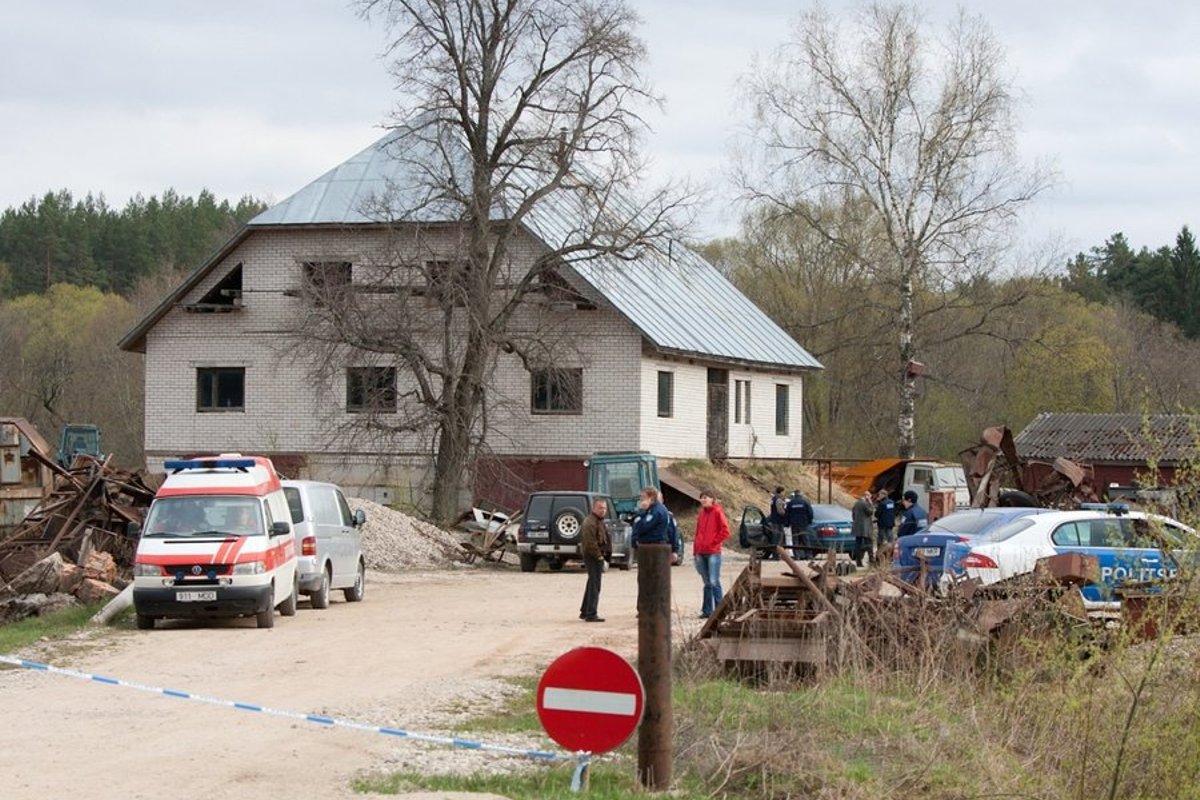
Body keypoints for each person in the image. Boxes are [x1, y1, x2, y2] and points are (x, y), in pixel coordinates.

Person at [693, 490, 730, 619]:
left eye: (706, 497)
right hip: (700, 552)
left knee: (714, 581)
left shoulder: (717, 512)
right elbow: (697, 533)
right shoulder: (701, 514)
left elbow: (725, 531)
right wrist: (695, 550)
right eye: (701, 498)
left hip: (713, 552)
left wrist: (713, 542)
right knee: (707, 582)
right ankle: (707, 610)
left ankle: (720, 610)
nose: (703, 500)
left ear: (712, 499)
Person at [578, 498, 610, 623]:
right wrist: (599, 557)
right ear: (593, 508)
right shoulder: (590, 522)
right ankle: (591, 613)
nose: (603, 510)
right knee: (595, 585)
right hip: (592, 557)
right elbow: (590, 543)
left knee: (592, 583)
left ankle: (585, 611)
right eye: (600, 508)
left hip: (596, 556)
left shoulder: (598, 521)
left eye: (604, 508)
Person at [785, 489, 814, 555]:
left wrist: (787, 523)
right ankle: (809, 555)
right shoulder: (805, 502)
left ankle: (797, 555)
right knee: (805, 540)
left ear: (795, 495)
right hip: (803, 524)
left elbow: (787, 514)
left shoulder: (791, 503)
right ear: (801, 494)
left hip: (794, 524)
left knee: (795, 540)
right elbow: (810, 513)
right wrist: (809, 521)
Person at [851, 490, 875, 567]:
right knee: (869, 543)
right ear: (867, 496)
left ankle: (858, 562)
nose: (870, 498)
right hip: (865, 528)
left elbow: (853, 514)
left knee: (858, 544)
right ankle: (871, 560)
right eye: (869, 496)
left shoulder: (856, 503)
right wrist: (871, 504)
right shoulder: (865, 504)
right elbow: (870, 512)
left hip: (857, 527)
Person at [874, 488, 897, 554]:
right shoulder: (892, 502)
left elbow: (877, 514)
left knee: (880, 538)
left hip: (882, 524)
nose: (878, 496)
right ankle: (891, 550)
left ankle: (879, 552)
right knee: (890, 538)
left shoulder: (882, 504)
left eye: (879, 495)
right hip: (890, 523)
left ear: (883, 495)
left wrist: (878, 503)